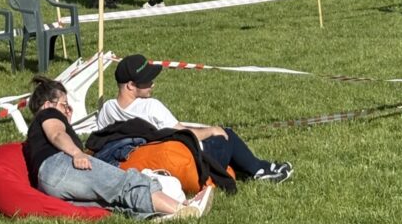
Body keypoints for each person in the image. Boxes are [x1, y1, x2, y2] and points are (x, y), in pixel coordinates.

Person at [23, 75, 213, 221]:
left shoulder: (34, 132)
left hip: (48, 184)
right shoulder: (49, 113)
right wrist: (76, 152)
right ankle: (183, 209)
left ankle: (162, 216)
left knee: (110, 202)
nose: (68, 110)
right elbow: (57, 134)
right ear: (47, 104)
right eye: (65, 105)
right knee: (125, 182)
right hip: (60, 167)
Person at [95, 55, 293, 184]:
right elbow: (183, 133)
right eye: (147, 81)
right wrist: (211, 130)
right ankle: (260, 170)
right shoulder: (150, 106)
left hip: (143, 161)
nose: (152, 84)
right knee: (227, 135)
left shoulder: (107, 109)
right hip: (183, 159)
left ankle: (253, 167)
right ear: (130, 85)